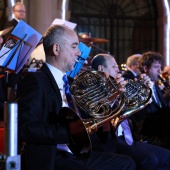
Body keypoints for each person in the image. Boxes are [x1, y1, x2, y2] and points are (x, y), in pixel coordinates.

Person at [16, 25, 136, 170]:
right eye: (74, 47)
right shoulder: (35, 81)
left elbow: (92, 118)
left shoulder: (73, 83)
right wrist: (69, 133)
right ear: (56, 49)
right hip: (55, 156)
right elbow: (25, 128)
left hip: (81, 153)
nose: (79, 53)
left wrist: (112, 99)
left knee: (127, 163)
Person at [91, 53, 170, 170]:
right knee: (150, 159)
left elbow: (135, 113)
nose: (118, 69)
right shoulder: (93, 91)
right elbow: (102, 119)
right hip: (113, 141)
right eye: (113, 66)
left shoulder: (116, 85)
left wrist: (144, 93)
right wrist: (114, 96)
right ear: (101, 69)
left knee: (167, 156)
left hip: (130, 138)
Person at [132, 51, 170, 148]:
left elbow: (162, 107)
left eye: (160, 67)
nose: (160, 71)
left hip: (161, 130)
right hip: (149, 135)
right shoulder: (137, 86)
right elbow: (139, 116)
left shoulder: (155, 86)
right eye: (156, 67)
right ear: (145, 68)